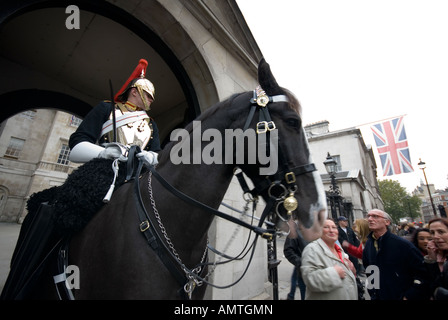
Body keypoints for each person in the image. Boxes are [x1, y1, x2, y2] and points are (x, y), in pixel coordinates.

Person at [69, 58, 160, 166]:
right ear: (134, 91)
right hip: (103, 168)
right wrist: (103, 153)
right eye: (148, 95)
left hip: (136, 176)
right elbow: (77, 143)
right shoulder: (106, 108)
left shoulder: (151, 124)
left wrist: (152, 157)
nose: (151, 100)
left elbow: (157, 152)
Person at [362, 209, 427, 300]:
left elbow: (422, 273)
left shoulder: (403, 244)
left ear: (387, 222)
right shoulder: (369, 244)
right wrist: (373, 292)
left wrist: (408, 296)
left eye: (375, 216)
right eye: (368, 216)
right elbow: (370, 269)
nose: (370, 219)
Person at [300, 219, 358, 300]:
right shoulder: (312, 249)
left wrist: (352, 271)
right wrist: (334, 273)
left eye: (334, 227)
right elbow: (310, 280)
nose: (331, 230)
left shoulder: (339, 249)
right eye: (326, 227)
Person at [424, 217, 448, 300]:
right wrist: (431, 260)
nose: (435, 236)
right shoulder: (437, 256)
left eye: (441, 232)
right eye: (432, 233)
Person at [283, 227, 308, 300]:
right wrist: (301, 263)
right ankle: (291, 295)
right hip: (304, 273)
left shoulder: (320, 228)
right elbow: (288, 250)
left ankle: (291, 295)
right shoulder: (296, 230)